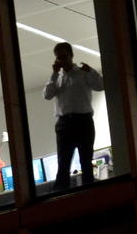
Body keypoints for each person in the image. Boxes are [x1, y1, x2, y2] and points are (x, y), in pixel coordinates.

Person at [43, 42, 103, 190]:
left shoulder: (83, 73)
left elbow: (101, 85)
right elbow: (47, 95)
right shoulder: (56, 78)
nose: (62, 60)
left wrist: (91, 71)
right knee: (63, 163)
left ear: (71, 55)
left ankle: (91, 194)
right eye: (59, 58)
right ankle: (61, 195)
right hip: (64, 124)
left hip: (84, 122)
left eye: (64, 56)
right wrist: (54, 74)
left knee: (86, 161)